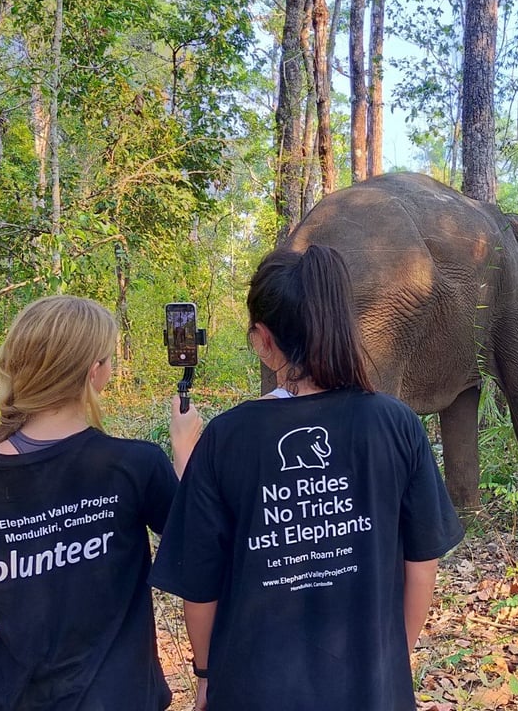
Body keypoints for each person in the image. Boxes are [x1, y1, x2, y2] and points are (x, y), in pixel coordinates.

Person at [151, 245, 464, 711]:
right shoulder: (396, 424)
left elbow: (200, 590)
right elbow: (421, 565)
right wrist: (391, 659)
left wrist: (205, 676)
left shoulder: (226, 437)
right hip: (371, 690)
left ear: (262, 339)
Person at [0, 295, 179, 711]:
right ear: (94, 372)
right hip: (119, 698)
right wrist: (187, 449)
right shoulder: (134, 464)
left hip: (10, 698)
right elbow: (198, 547)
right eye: (108, 359)